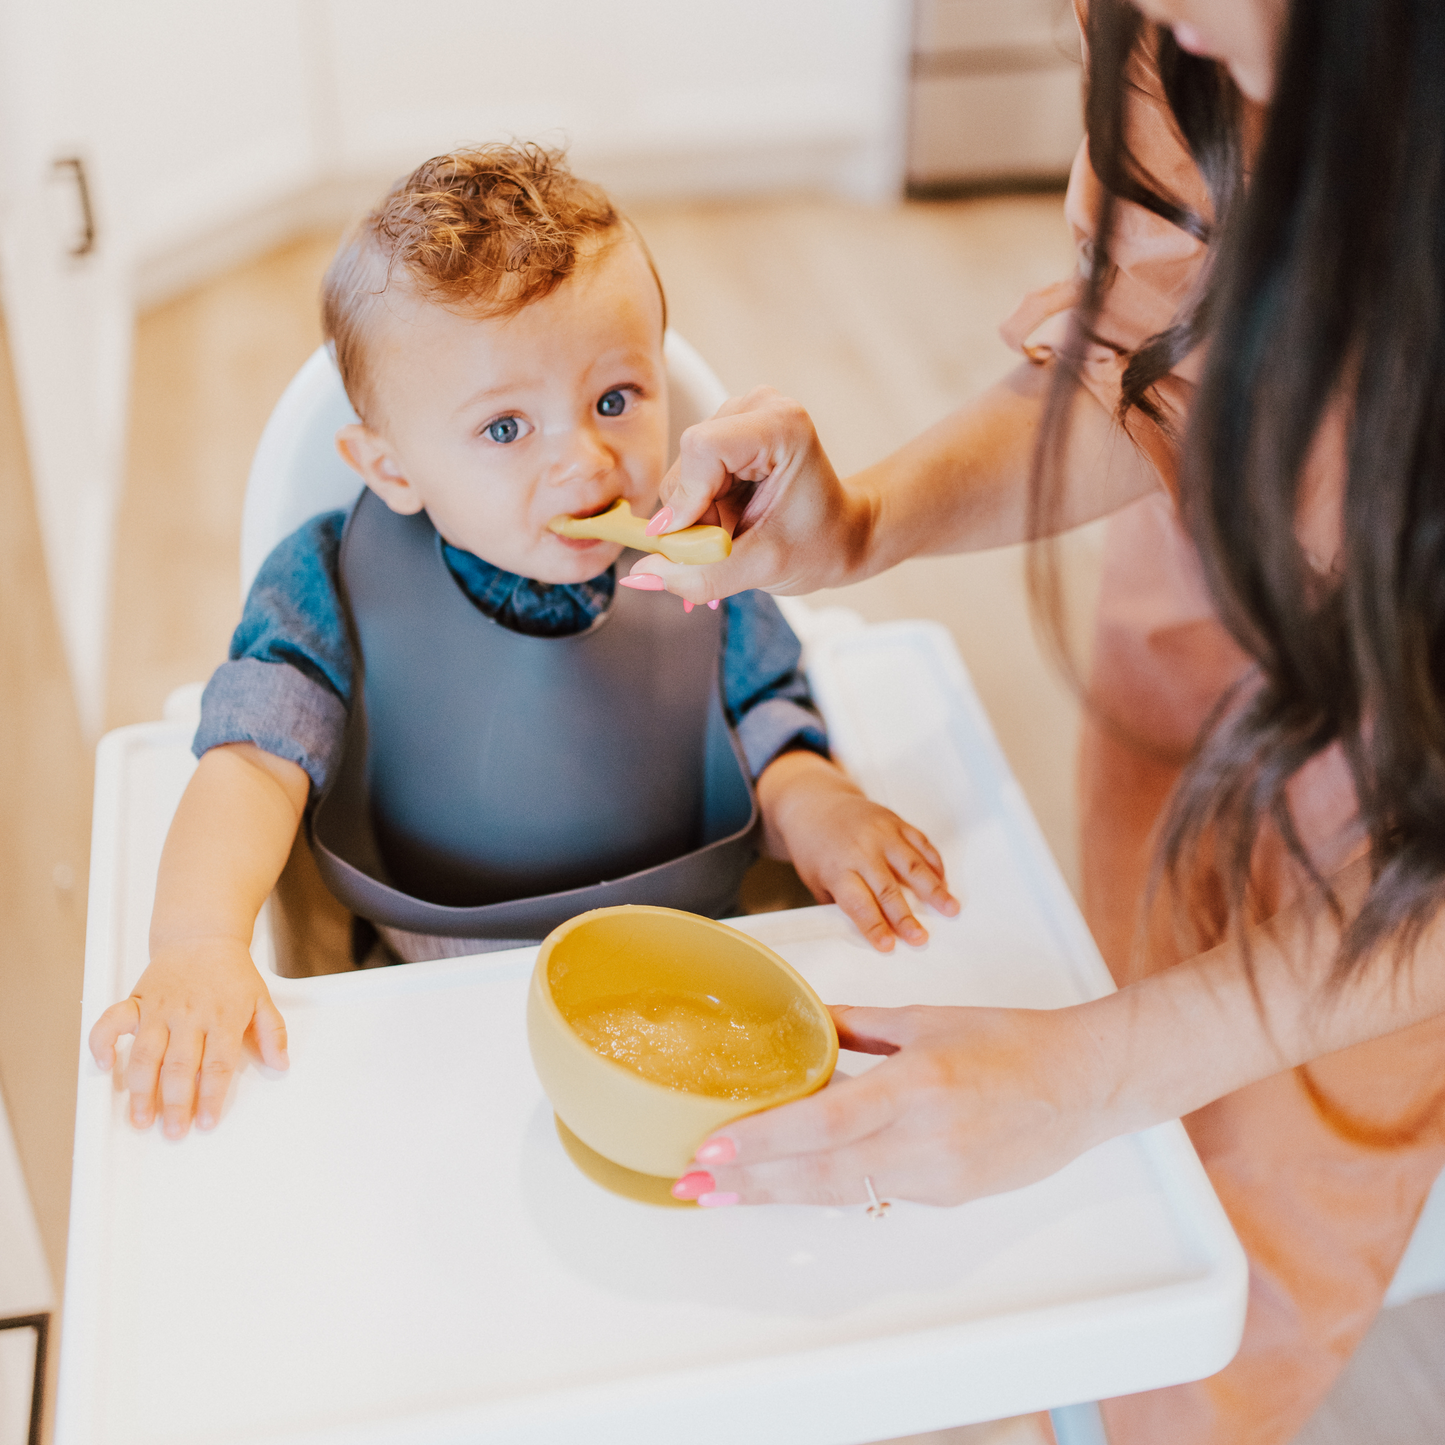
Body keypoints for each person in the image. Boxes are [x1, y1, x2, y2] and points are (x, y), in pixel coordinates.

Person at [634, 2, 1445, 1442]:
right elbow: (1135, 360)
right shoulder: (1175, 32)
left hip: (1401, 843)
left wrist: (1091, 1071)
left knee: (1257, 1228)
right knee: (1130, 995)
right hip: (1215, 630)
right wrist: (865, 519)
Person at [87, 146, 957, 1146]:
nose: (584, 462)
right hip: (436, 994)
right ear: (390, 466)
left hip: (682, 989)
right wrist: (196, 940)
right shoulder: (330, 580)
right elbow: (251, 761)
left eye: (616, 399)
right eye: (505, 428)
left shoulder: (702, 558)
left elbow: (766, 722)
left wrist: (826, 808)